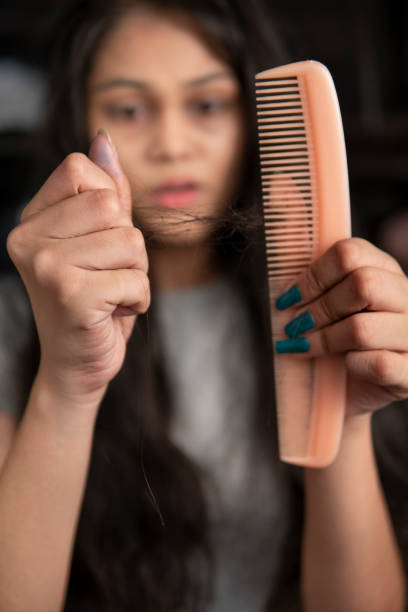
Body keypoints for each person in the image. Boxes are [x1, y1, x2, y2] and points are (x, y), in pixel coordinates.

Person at [0, 0, 407, 610]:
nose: (172, 144)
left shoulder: (322, 310)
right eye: (130, 108)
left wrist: (340, 418)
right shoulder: (13, 322)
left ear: (251, 120)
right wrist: (66, 384)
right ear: (79, 120)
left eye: (208, 104)